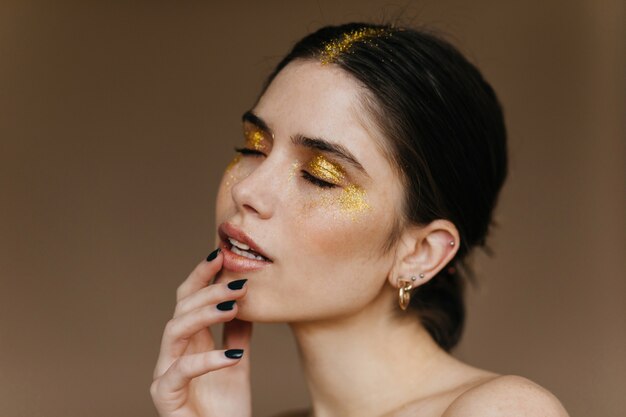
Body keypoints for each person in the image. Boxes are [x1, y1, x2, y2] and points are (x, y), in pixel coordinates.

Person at [150, 22, 569, 417]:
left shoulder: (504, 410)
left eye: (320, 175)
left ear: (421, 253)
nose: (247, 191)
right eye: (253, 148)